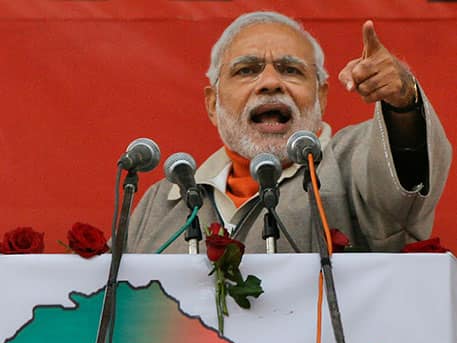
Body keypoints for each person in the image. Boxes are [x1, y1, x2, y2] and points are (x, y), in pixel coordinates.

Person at [126, 11, 452, 254]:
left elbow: (400, 174)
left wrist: (402, 101)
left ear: (321, 96)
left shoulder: (350, 162)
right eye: (247, 70)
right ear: (212, 103)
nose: (270, 82)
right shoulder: (162, 202)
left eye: (290, 70)